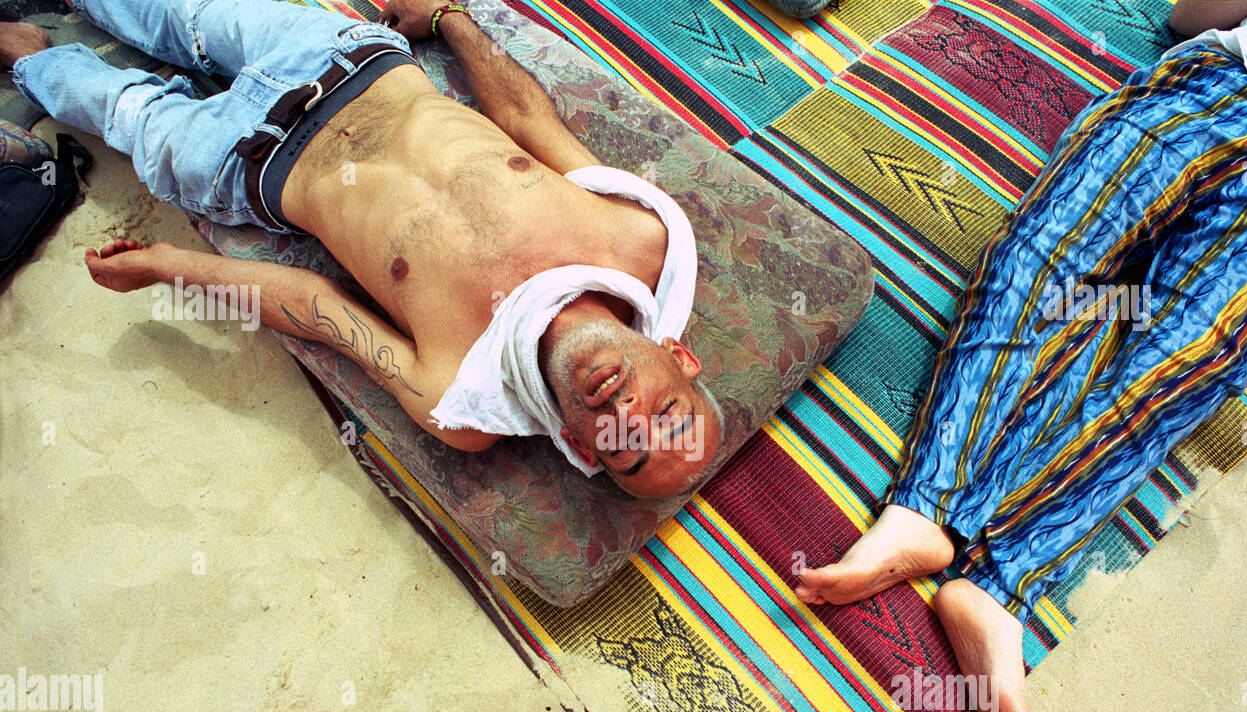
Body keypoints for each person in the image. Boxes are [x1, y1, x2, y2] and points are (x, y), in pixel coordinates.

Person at [796, 0, 1247, 712]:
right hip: (1225, 84)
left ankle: (998, 581)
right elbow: (1190, 14)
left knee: (1184, 358)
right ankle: (924, 509)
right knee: (1049, 261)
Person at [0, 0, 722, 497]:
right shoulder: (638, 240)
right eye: (666, 414)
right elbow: (527, 117)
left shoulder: (464, 400)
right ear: (679, 358)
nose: (628, 411)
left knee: (121, 110)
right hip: (343, 63)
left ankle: (28, 56)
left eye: (627, 445)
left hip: (252, 166)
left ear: (582, 446)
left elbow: (318, 309)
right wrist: (449, 18)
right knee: (180, 12)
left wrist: (167, 266)